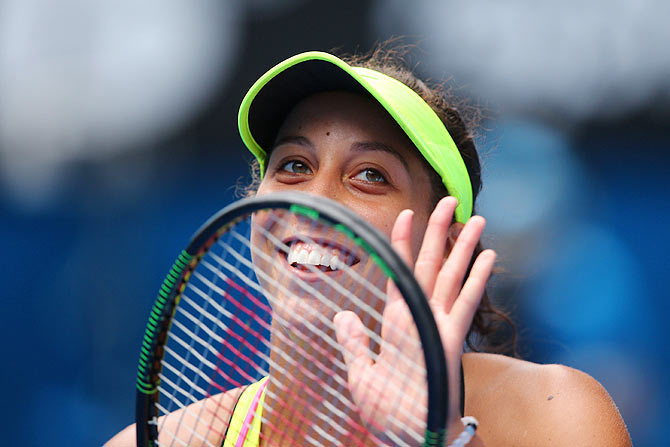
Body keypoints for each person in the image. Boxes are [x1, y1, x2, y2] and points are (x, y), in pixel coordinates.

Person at [108, 47, 631, 447]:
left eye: (370, 176)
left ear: (445, 242)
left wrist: (439, 438)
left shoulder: (556, 414)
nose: (314, 202)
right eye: (293, 166)